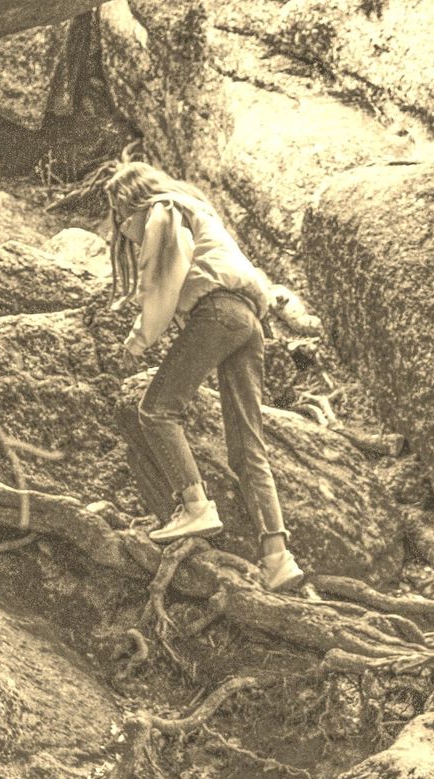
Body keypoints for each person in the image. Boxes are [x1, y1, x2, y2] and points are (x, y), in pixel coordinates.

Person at [104, 161, 305, 593]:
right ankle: (277, 557)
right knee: (248, 444)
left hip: (215, 314)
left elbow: (165, 280)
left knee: (157, 410)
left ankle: (194, 504)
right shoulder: (199, 210)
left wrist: (138, 339)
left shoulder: (162, 210)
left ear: (129, 202)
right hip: (249, 321)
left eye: (121, 218)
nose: (122, 230)